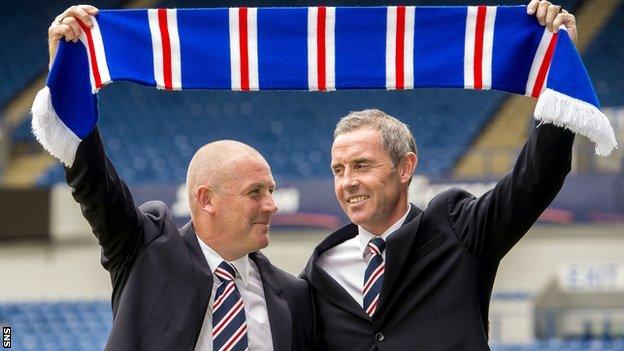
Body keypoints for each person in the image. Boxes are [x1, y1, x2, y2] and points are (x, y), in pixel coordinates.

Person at [301, 1, 578, 349]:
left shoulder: (456, 231)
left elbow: (537, 176)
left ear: (405, 168)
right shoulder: (319, 271)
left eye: (362, 165)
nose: (347, 182)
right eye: (338, 170)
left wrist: (559, 69)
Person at [47, 6, 314, 351]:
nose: (272, 205)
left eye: (271, 191)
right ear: (206, 199)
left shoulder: (294, 296)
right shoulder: (145, 250)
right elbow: (94, 182)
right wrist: (67, 78)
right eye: (255, 192)